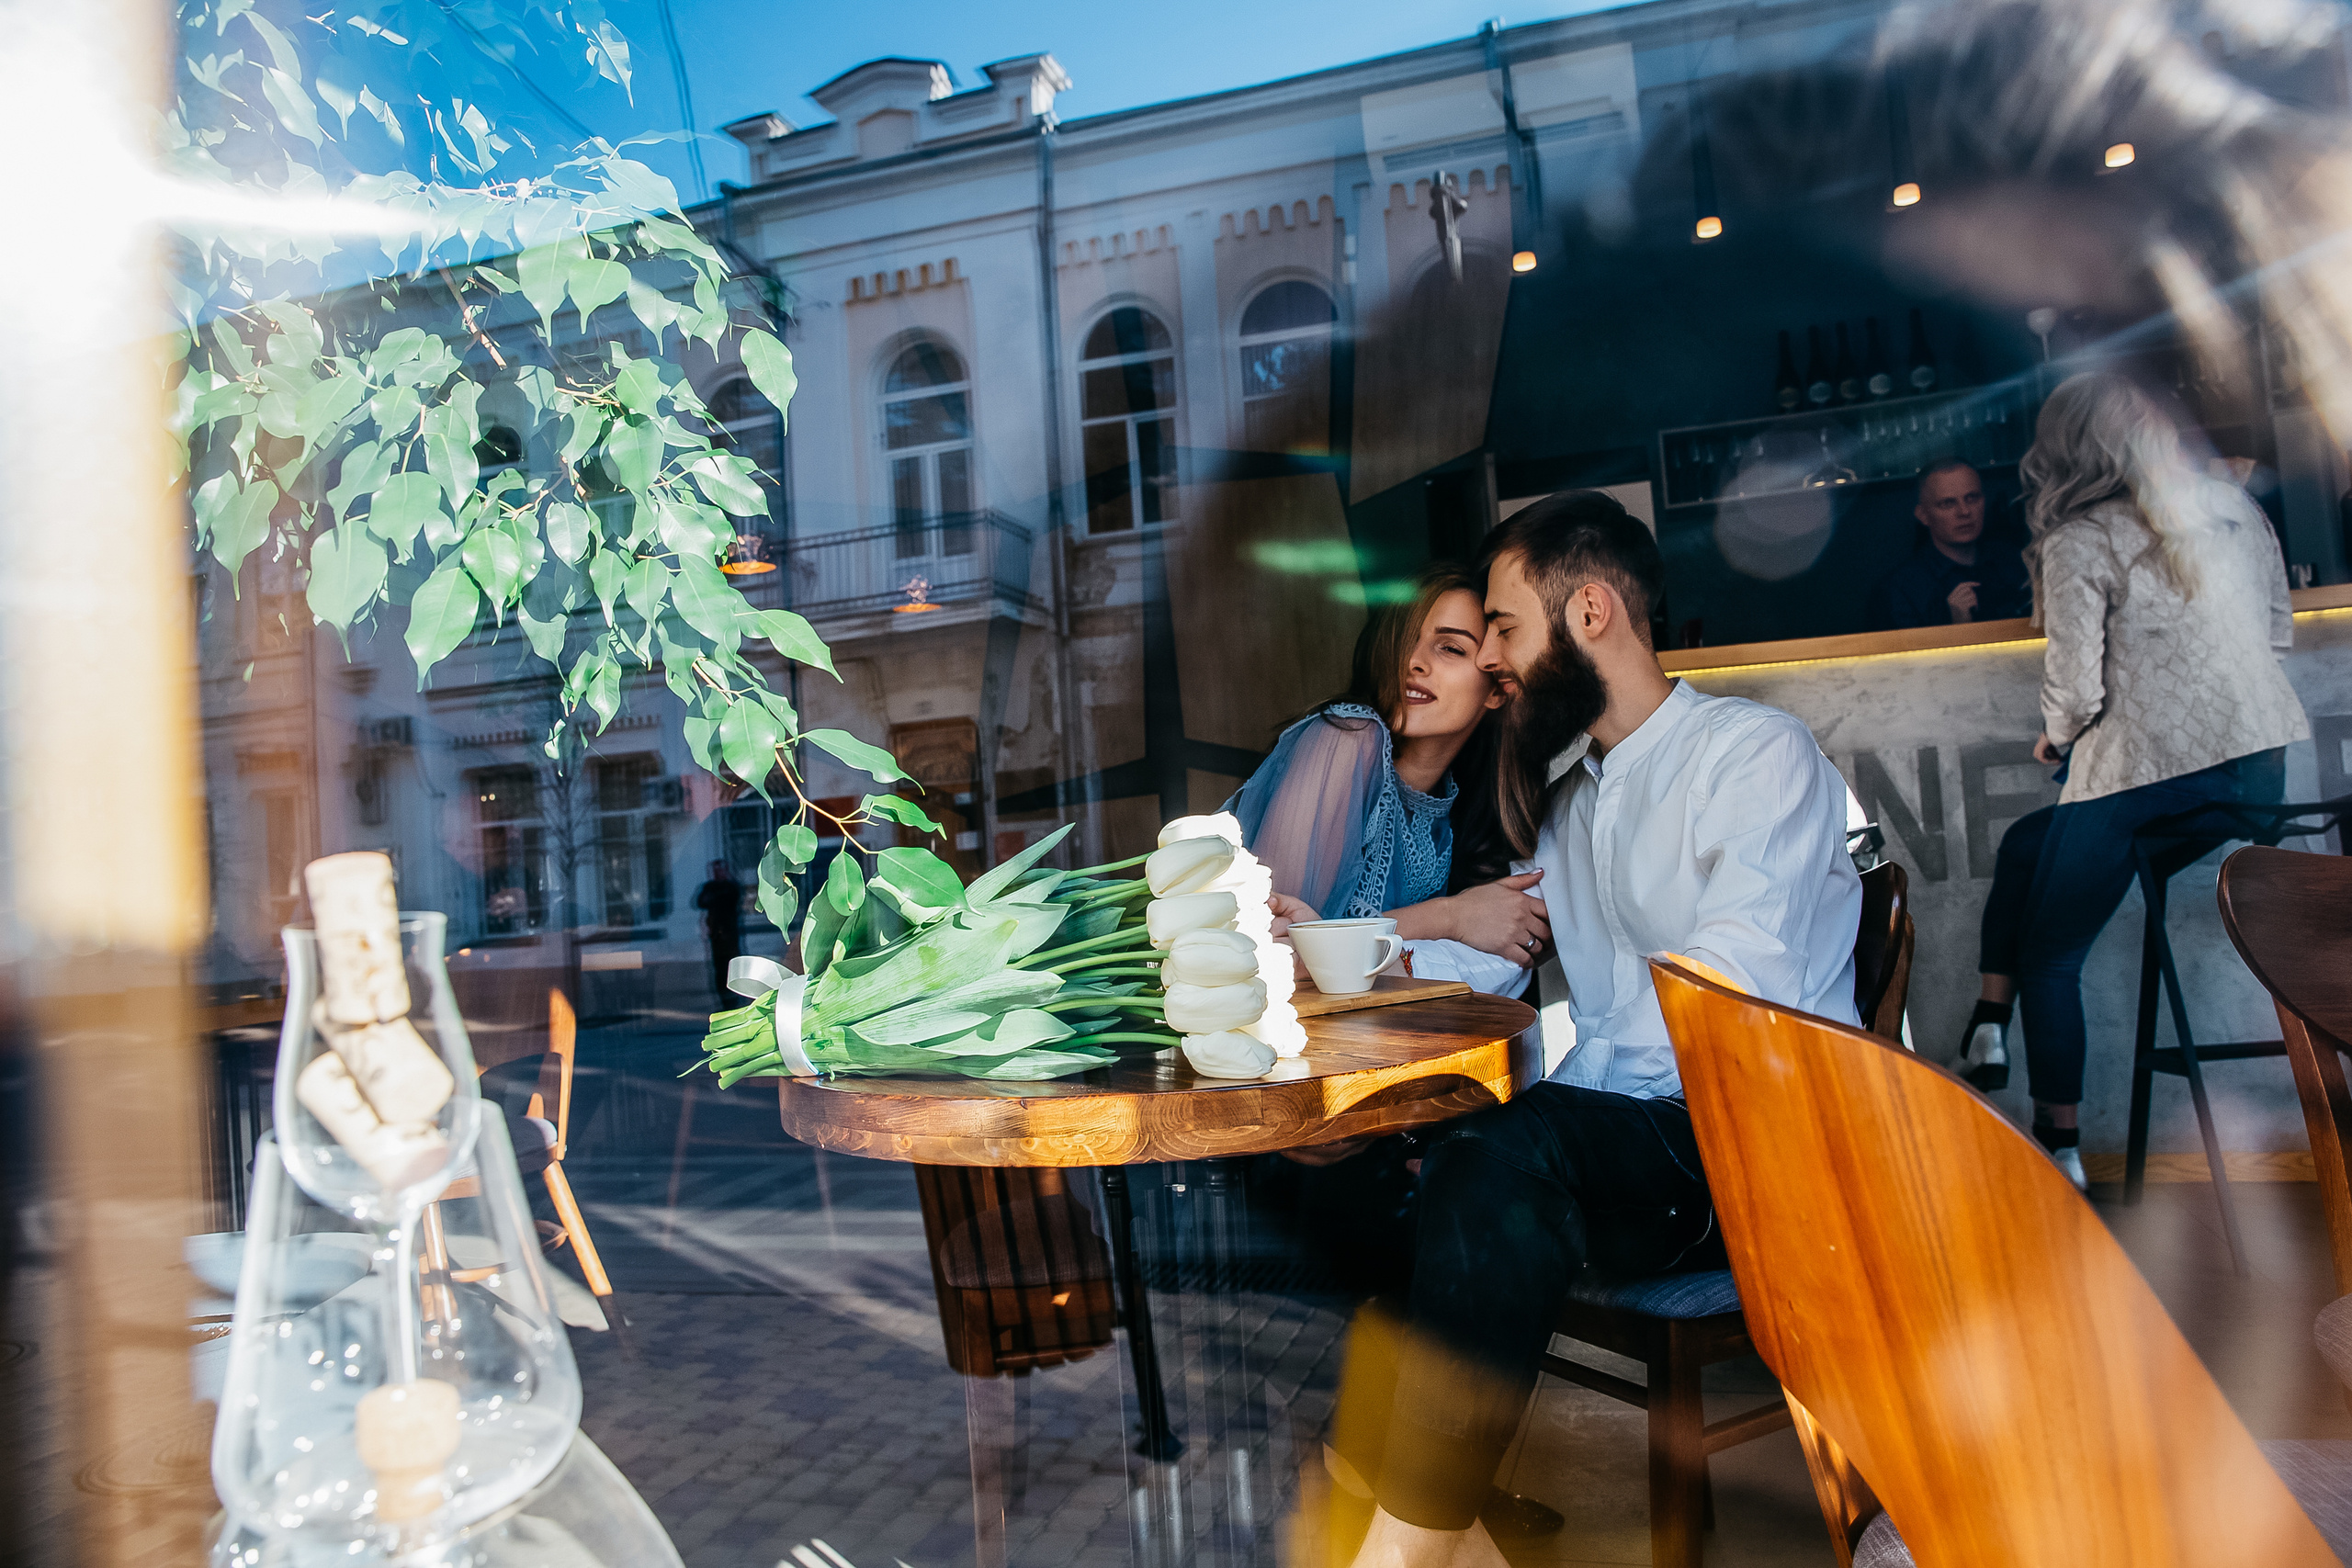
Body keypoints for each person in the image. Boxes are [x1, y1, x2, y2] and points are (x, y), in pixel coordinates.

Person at [1337, 491, 1862, 1568]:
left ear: (1588, 615)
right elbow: (1493, 955)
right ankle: (1450, 1532)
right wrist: (1349, 947)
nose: (1490, 661)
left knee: (1498, 1151)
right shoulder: (1576, 797)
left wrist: (1550, 1095)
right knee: (1403, 1160)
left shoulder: (1754, 754)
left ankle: (1410, 1549)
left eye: (1503, 628)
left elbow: (1739, 985)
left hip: (1753, 1151)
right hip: (1633, 1151)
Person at [1952, 373, 2309, 1190]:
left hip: (2150, 782)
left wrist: (2057, 740)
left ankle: (2061, 1152)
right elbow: (2279, 634)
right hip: (2258, 781)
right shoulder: (2236, 508)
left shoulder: (2083, 537)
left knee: (2052, 953)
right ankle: (1988, 1023)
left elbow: (2076, 694)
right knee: (2029, 841)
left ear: (2063, 452)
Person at [1230, 563, 1549, 985]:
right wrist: (1452, 916)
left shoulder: (1459, 803)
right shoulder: (1346, 736)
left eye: (1450, 648)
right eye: (1405, 641)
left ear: (1495, 688)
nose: (1414, 662)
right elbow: (1275, 947)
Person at [1864, 458, 2033, 629]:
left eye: (1972, 498)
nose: (1964, 512)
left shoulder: (2017, 563)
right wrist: (1957, 629)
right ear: (1923, 514)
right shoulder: (1900, 590)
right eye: (1948, 504)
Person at [692, 860, 743, 1000]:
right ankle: (722, 993)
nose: (718, 873)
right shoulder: (710, 887)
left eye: (721, 870)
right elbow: (700, 902)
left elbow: (735, 897)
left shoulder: (731, 886)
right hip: (716, 933)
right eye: (715, 871)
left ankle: (734, 993)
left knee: (732, 963)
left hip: (730, 932)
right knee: (719, 965)